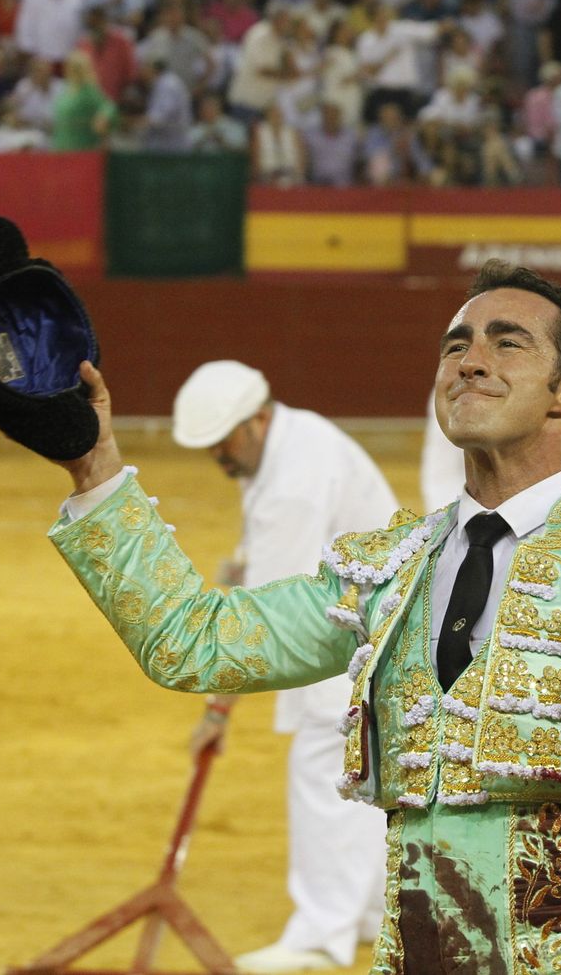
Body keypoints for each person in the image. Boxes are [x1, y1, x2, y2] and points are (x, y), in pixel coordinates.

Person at [44, 261, 561, 973]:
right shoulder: (387, 572)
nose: (470, 359)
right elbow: (195, 641)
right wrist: (94, 467)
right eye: (456, 344)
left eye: (507, 342)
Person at [170, 361, 391, 974]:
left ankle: (321, 937)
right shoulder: (288, 437)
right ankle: (370, 912)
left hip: (351, 636)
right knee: (357, 773)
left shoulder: (293, 477)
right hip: (366, 620)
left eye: (221, 440)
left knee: (323, 768)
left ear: (257, 420)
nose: (216, 453)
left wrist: (217, 710)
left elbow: (265, 626)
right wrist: (244, 562)